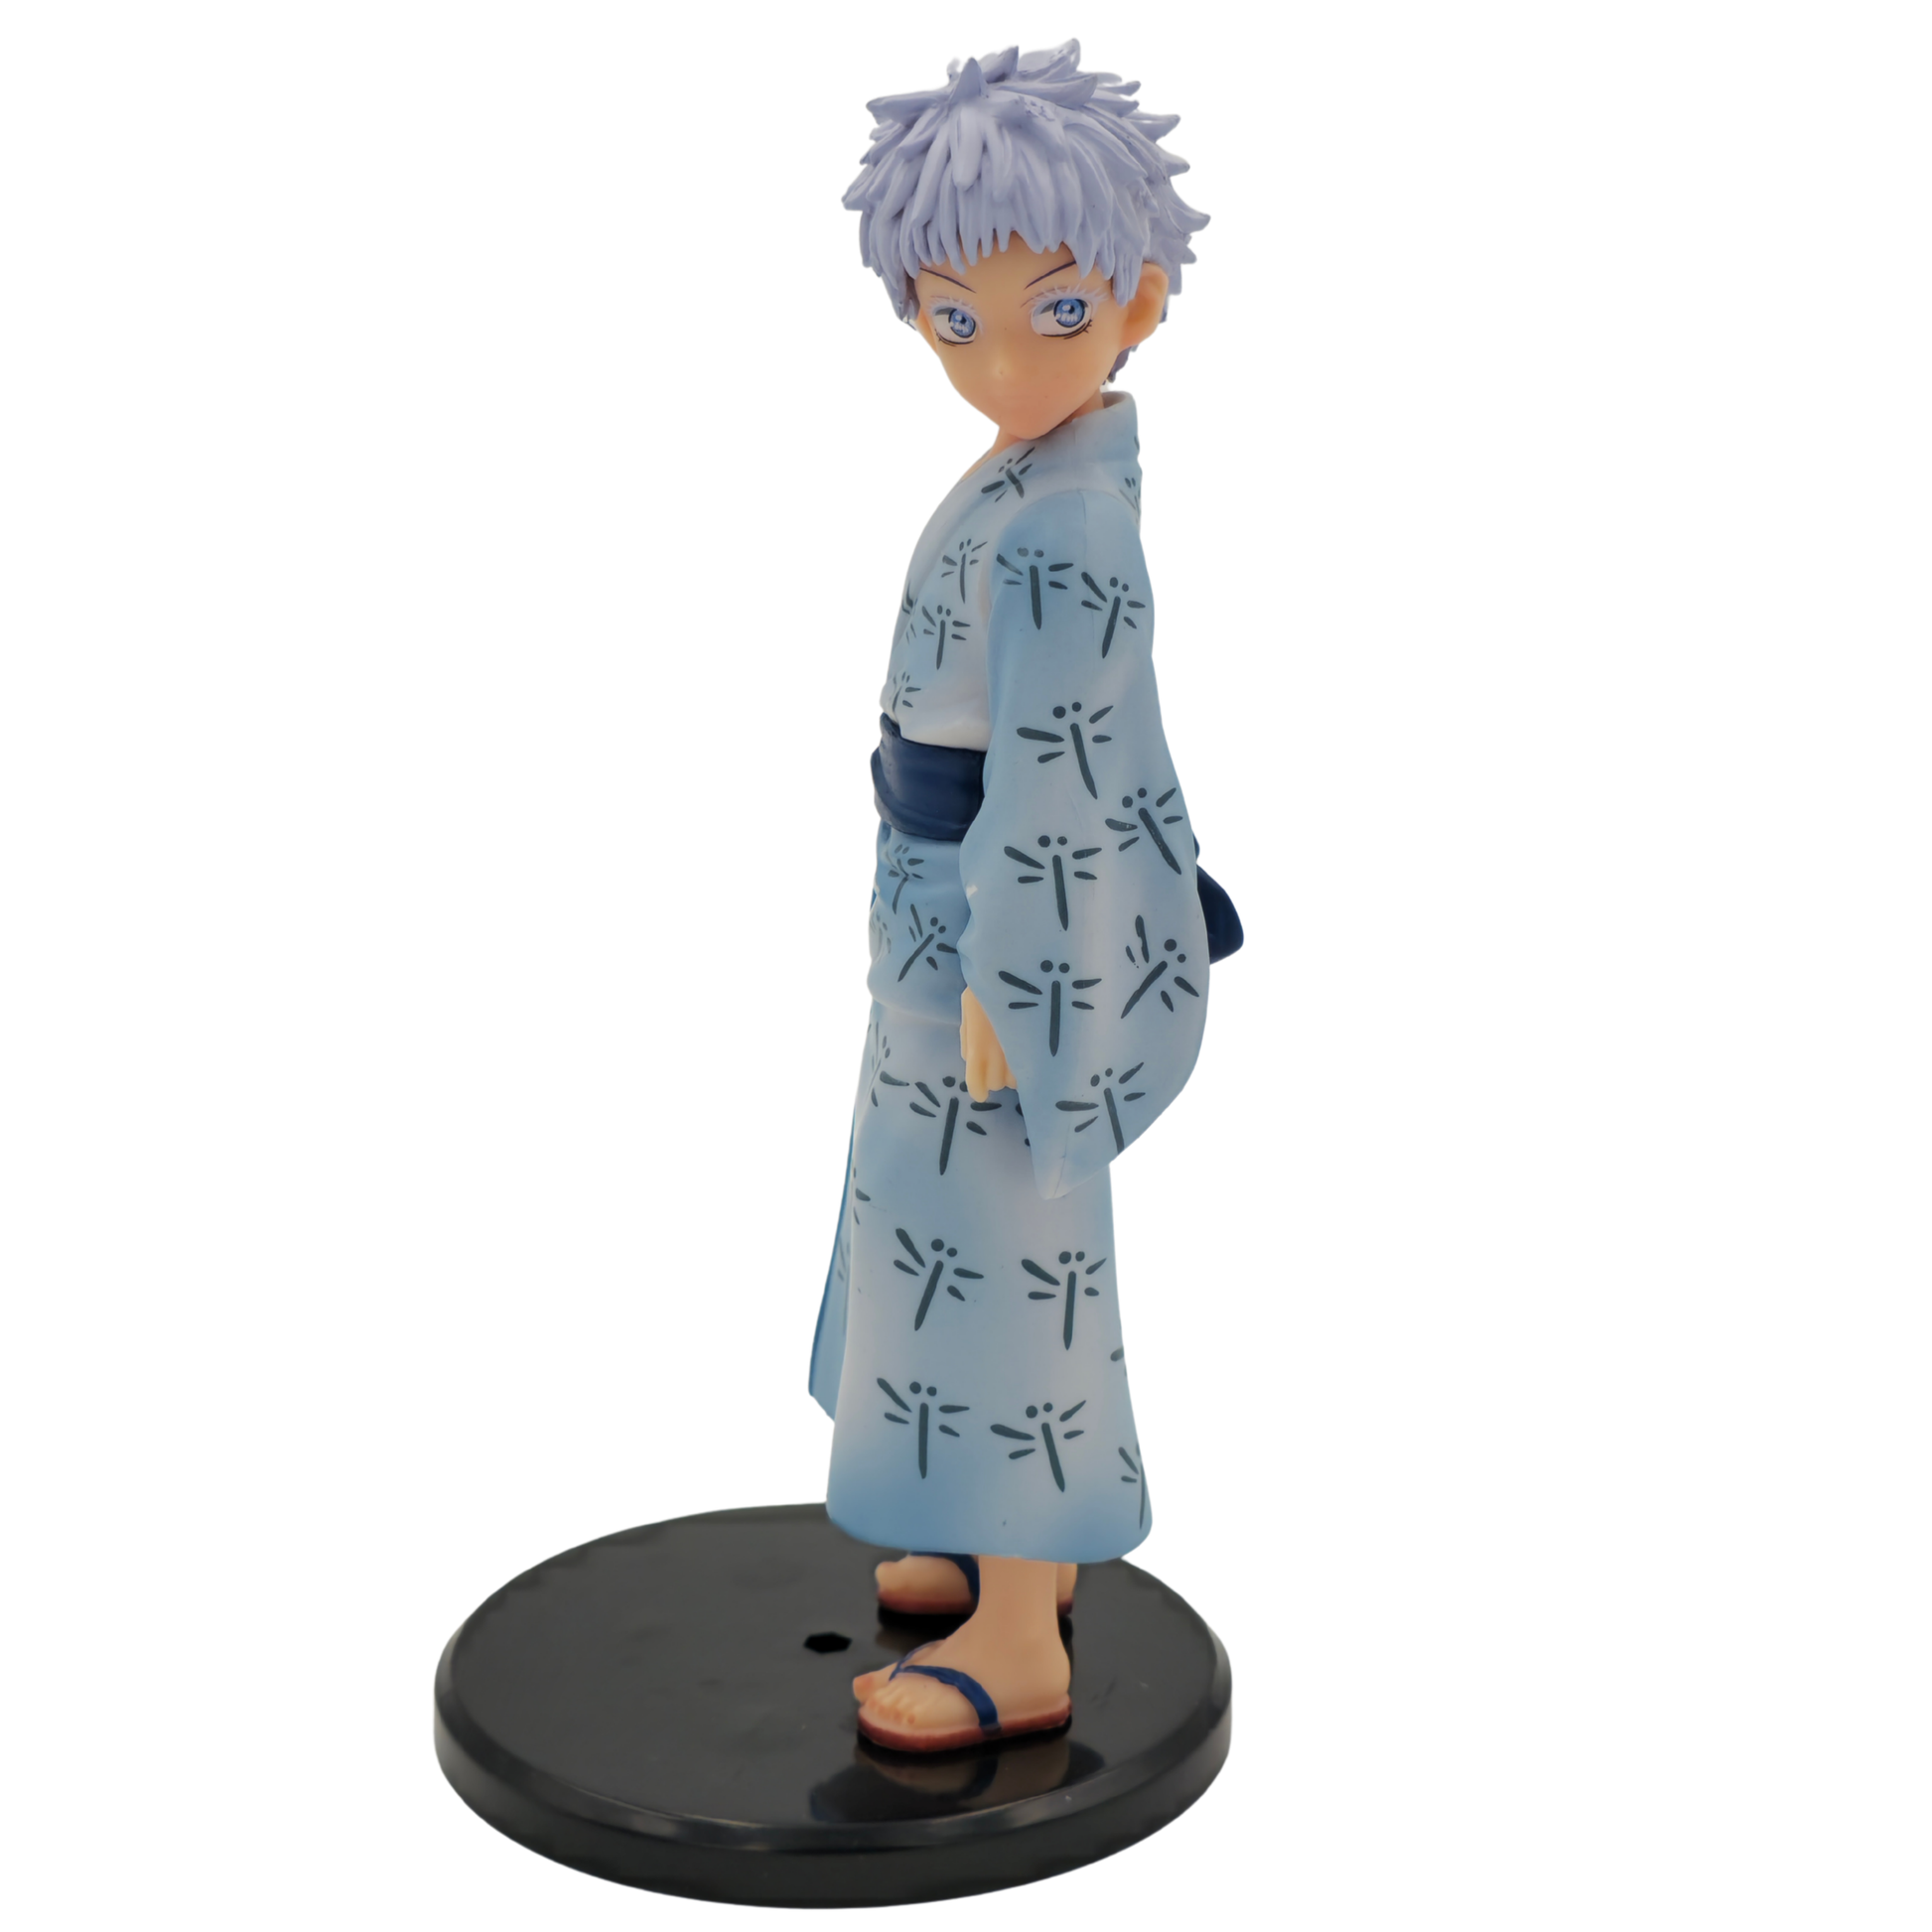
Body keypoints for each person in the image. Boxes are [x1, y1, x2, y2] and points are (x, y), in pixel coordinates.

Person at [809, 41, 1223, 1753]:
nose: (998, 361)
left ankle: (1023, 1627)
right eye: (951, 319)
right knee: (932, 1224)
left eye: (1054, 312)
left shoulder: (1069, 524)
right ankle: (986, 1542)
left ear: (1137, 299)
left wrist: (1020, 965)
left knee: (1006, 1241)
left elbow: (1066, 762)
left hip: (999, 922)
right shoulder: (1026, 481)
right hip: (937, 905)